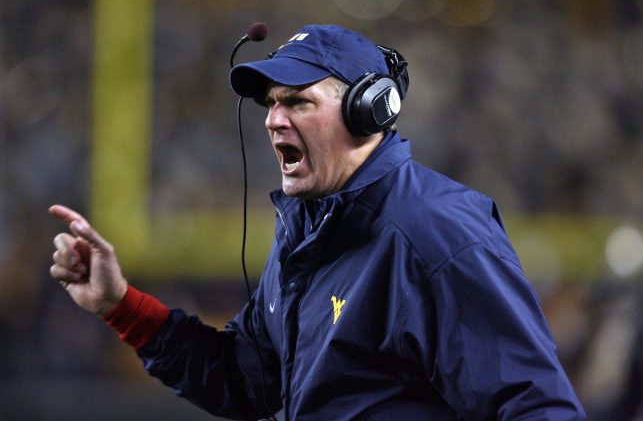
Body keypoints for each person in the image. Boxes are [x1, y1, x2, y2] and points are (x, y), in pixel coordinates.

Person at [49, 24, 586, 421]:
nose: (273, 119)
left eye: (298, 102)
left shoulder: (435, 231)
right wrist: (121, 306)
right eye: (272, 104)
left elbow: (534, 406)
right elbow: (248, 380)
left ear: (367, 111)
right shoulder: (308, 227)